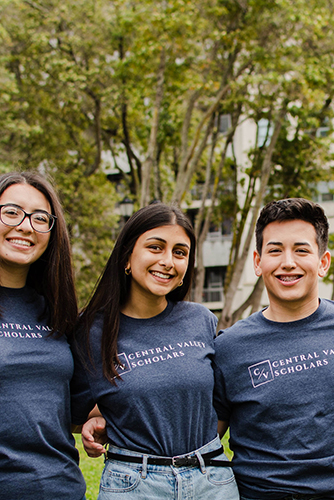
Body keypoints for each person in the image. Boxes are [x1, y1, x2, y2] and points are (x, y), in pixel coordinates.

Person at [212, 198, 334, 500]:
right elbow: (202, 439)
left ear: (323, 262)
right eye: (275, 250)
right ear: (258, 262)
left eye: (301, 250)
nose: (287, 262)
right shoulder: (229, 346)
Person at [73, 203, 238, 500]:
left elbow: (216, 402)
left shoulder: (201, 320)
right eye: (155, 247)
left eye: (179, 252)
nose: (167, 261)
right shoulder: (90, 331)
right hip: (135, 484)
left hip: (211, 480)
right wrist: (95, 419)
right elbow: (71, 407)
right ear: (127, 256)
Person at [0, 172, 86, 500]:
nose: (25, 226)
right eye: (11, 212)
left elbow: (75, 405)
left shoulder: (58, 312)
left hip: (63, 489)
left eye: (40, 218)